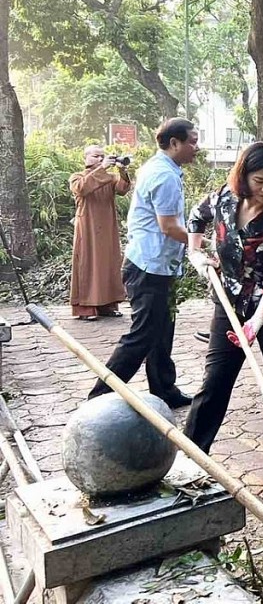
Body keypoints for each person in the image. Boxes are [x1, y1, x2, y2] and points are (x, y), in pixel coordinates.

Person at [183, 143, 263, 452]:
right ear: (244, 175)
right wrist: (195, 252)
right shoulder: (225, 198)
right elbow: (196, 217)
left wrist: (257, 321)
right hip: (229, 303)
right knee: (214, 383)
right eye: (259, 180)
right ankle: (192, 458)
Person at [88, 118, 199, 408]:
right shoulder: (164, 176)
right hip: (149, 268)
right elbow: (169, 228)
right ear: (174, 143)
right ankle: (99, 397)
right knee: (143, 334)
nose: (196, 148)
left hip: (157, 264)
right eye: (192, 141)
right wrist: (206, 245)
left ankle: (164, 389)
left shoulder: (161, 168)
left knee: (163, 330)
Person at [70, 145, 132, 320]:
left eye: (102, 156)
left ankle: (108, 305)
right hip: (87, 227)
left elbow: (122, 189)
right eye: (96, 156)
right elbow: (82, 189)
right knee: (87, 264)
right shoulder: (77, 177)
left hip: (107, 227)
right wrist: (103, 167)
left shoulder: (109, 178)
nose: (99, 159)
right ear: (86, 158)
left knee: (108, 264)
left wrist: (122, 170)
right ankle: (86, 307)